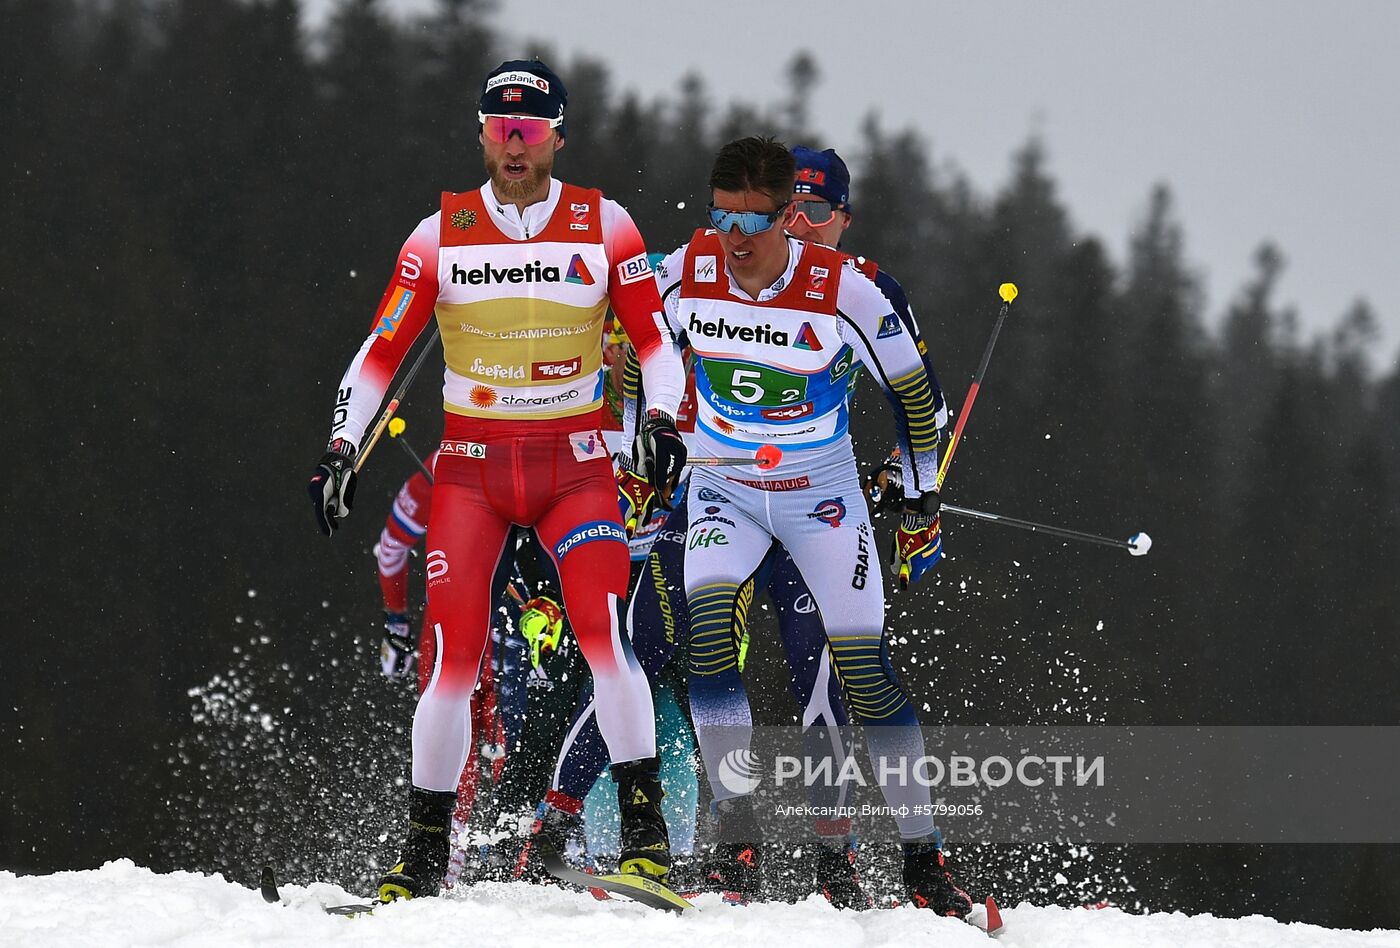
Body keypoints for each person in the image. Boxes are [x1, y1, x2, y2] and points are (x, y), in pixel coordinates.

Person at [307, 59, 688, 901]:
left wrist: (661, 425)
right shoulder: (438, 235)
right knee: (450, 661)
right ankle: (422, 853)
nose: (515, 144)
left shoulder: (605, 224)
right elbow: (377, 359)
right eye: (500, 126)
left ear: (559, 133)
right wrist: (340, 450)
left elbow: (657, 348)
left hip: (574, 471)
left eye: (532, 127)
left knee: (604, 639)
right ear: (479, 131)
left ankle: (645, 840)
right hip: (473, 478)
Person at [653, 135, 971, 916]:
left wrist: (919, 490)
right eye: (728, 221)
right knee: (705, 647)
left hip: (821, 496)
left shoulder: (854, 290)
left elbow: (915, 395)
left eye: (806, 211)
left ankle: (922, 860)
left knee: (859, 672)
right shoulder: (689, 267)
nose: (749, 239)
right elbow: (635, 334)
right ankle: (737, 835)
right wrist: (643, 438)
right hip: (725, 484)